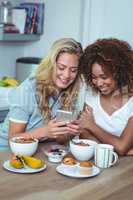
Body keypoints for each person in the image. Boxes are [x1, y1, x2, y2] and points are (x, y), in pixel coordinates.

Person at [0, 38, 87, 151]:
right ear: (51, 64)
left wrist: (72, 131)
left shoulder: (71, 91)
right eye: (61, 67)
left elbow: (60, 139)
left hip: (39, 151)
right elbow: (13, 138)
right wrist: (45, 131)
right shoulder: (27, 90)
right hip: (6, 151)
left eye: (73, 70)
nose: (66, 75)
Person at [78, 38, 133, 155]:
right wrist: (122, 149)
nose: (98, 83)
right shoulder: (91, 95)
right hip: (99, 164)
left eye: (104, 77)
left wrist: (92, 126)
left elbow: (122, 147)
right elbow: (84, 135)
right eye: (94, 77)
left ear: (118, 73)